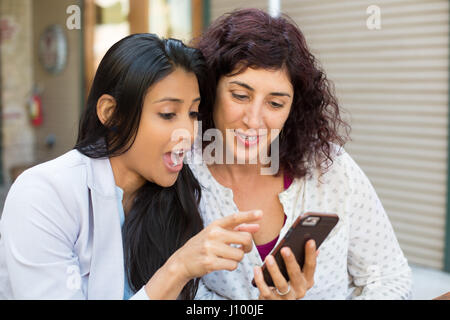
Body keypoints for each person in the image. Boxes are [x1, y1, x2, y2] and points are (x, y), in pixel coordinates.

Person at [0, 33, 262, 300]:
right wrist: (177, 269)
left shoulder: (176, 195)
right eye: (168, 114)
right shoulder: (44, 195)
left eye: (193, 113)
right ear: (110, 113)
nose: (188, 132)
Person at [190, 9, 412, 300]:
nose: (254, 120)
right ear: (210, 88)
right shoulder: (182, 174)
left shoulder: (330, 169)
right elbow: (180, 295)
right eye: (240, 96)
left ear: (293, 108)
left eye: (275, 103)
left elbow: (389, 275)